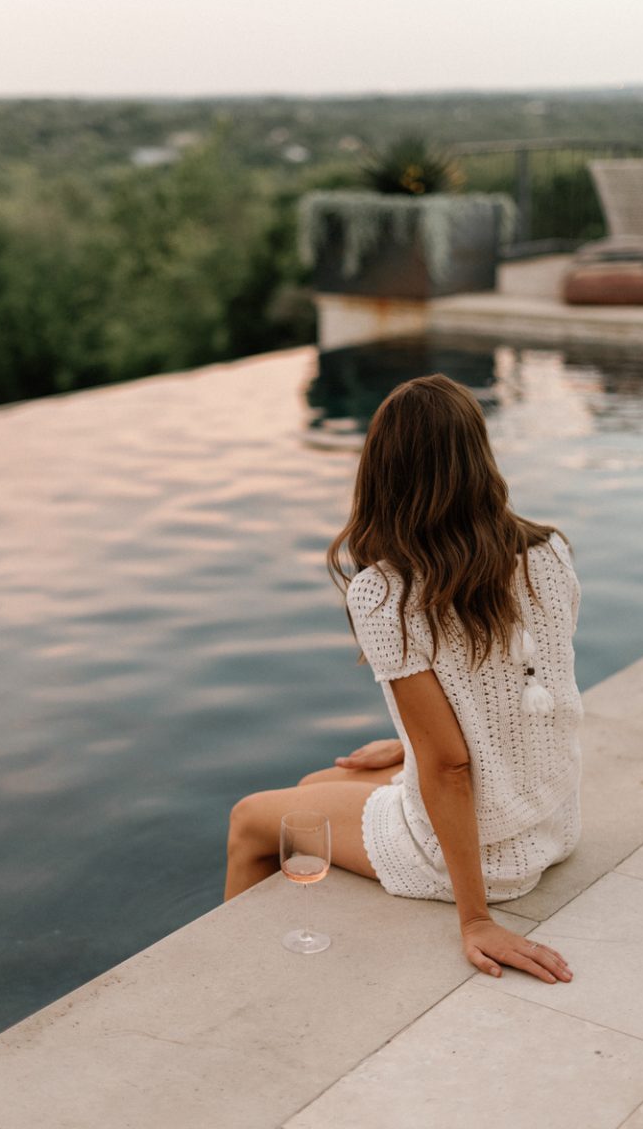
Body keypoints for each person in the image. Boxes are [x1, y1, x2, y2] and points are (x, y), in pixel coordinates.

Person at [225, 374, 581, 985]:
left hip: (488, 854)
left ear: (381, 471)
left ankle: (230, 971)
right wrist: (407, 744)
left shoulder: (386, 593)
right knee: (325, 780)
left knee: (251, 819)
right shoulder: (548, 552)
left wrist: (476, 921)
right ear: (479, 458)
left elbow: (449, 766)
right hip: (551, 822)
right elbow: (529, 695)